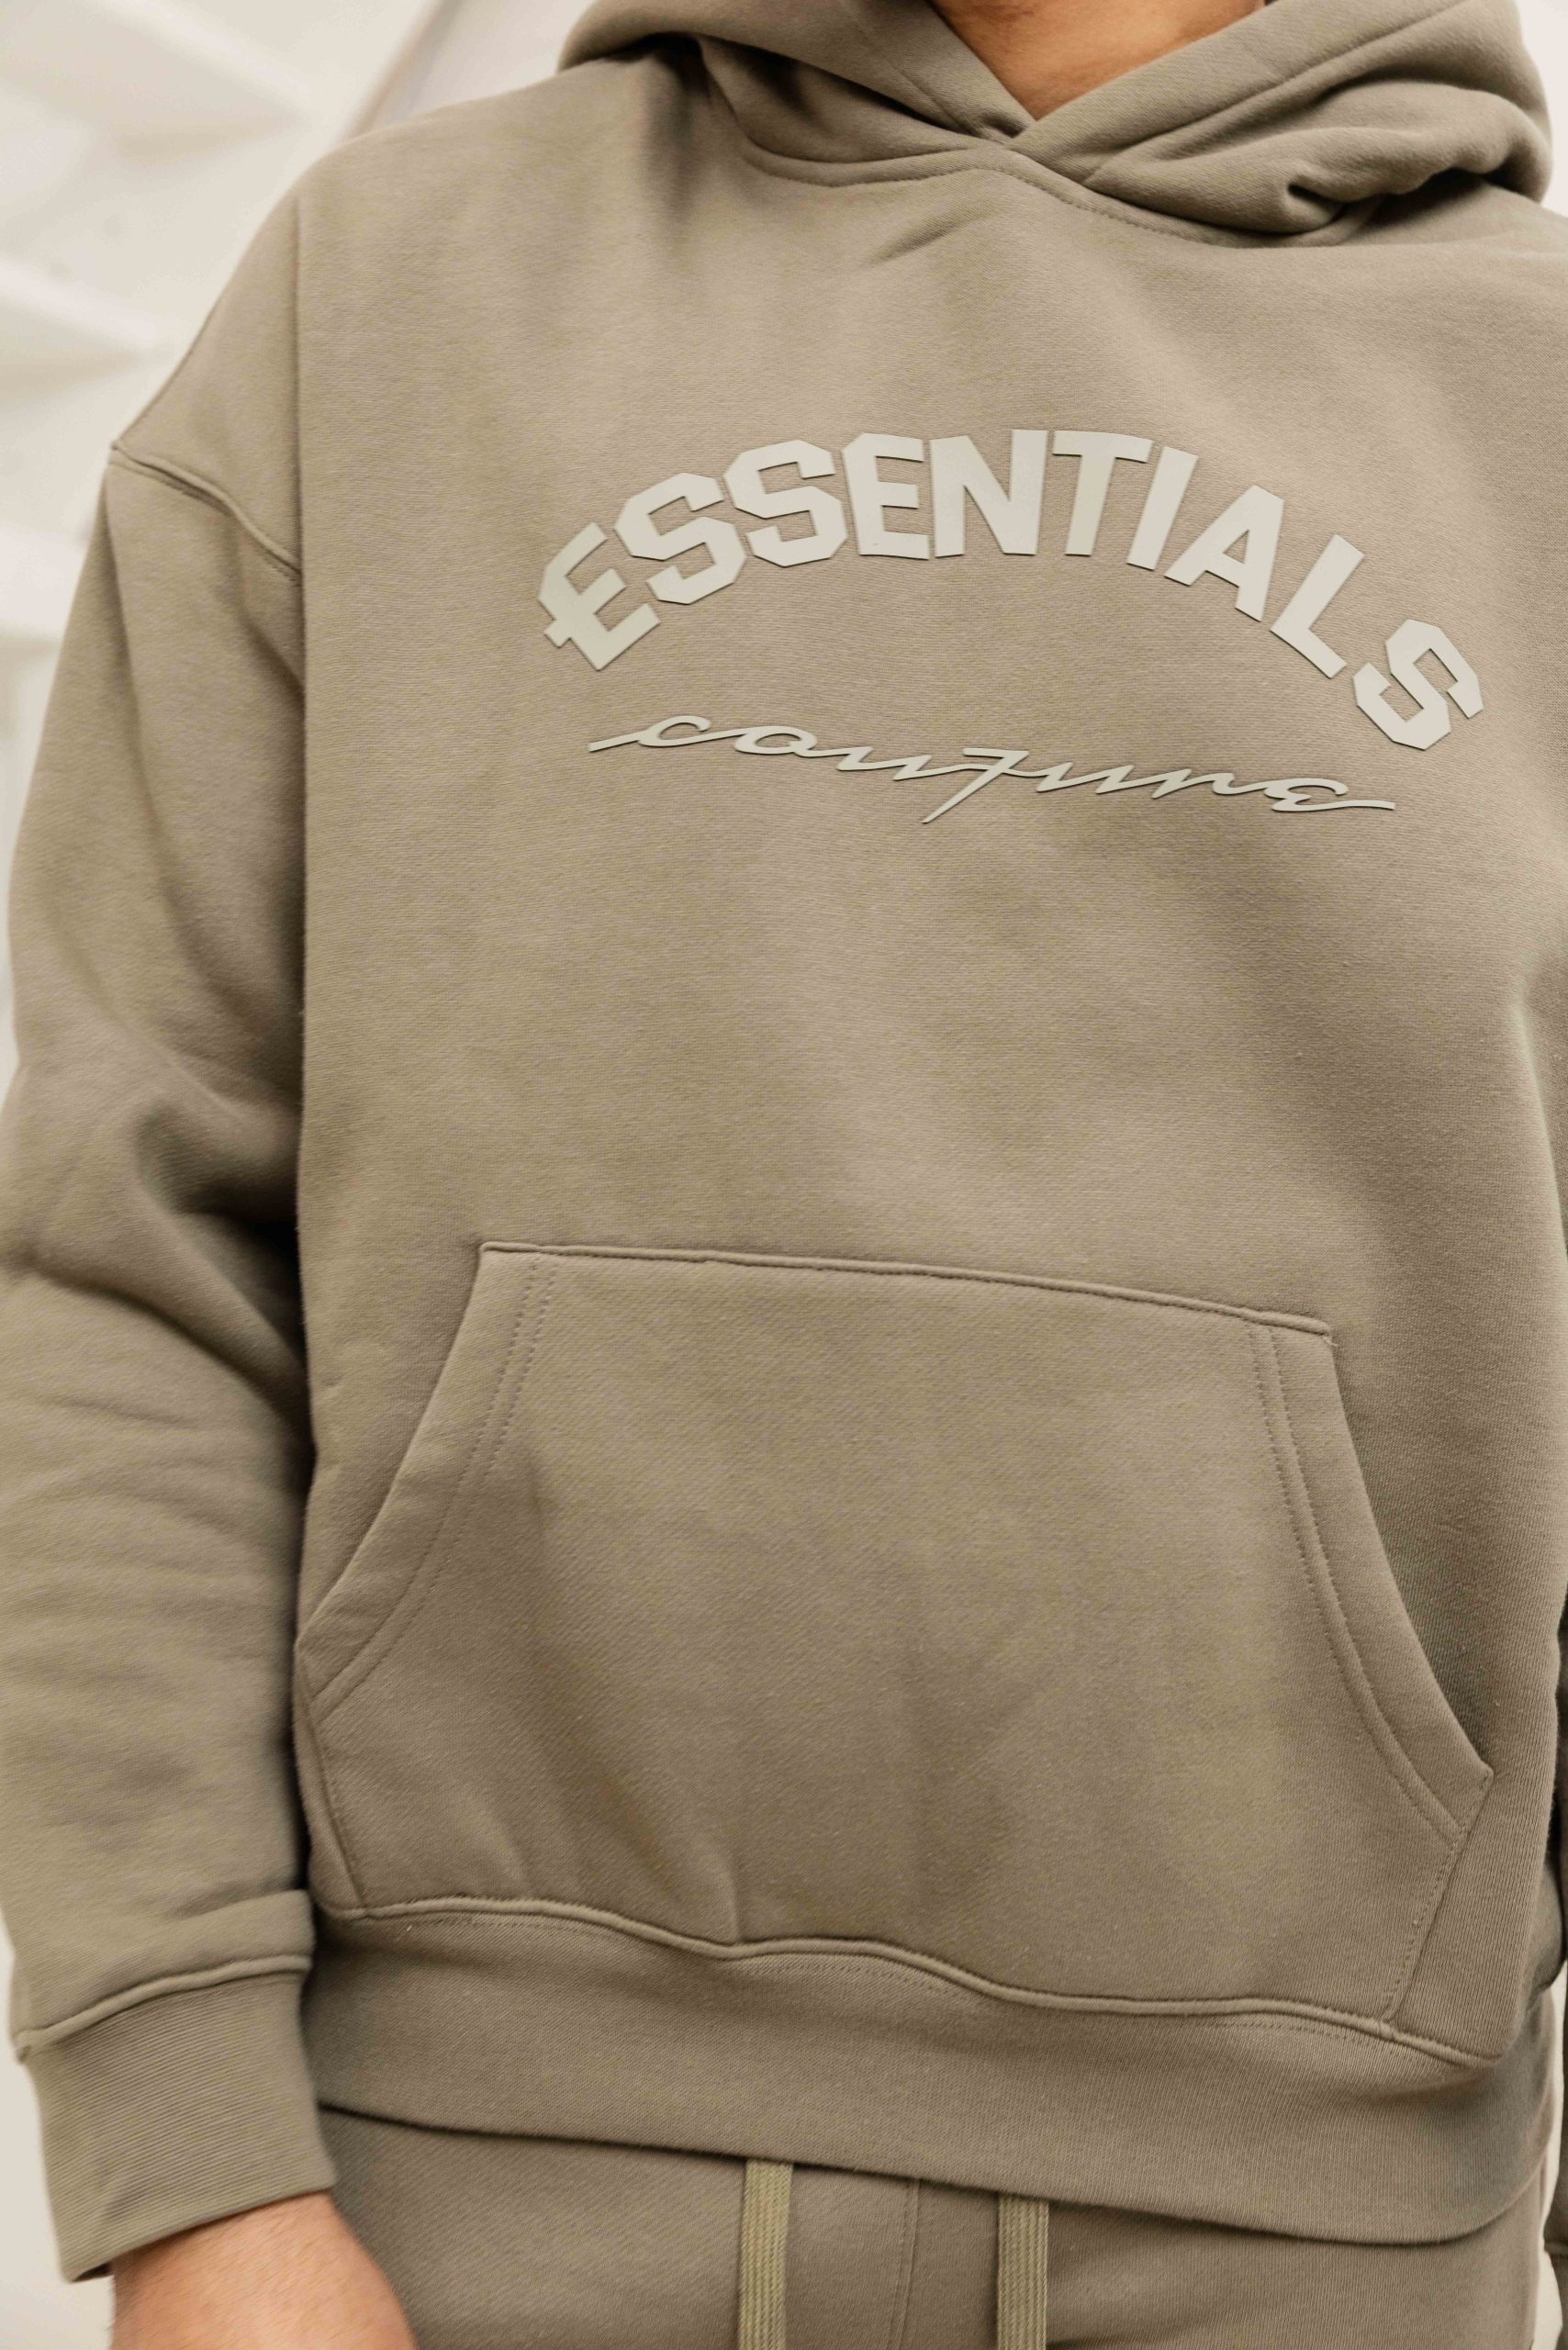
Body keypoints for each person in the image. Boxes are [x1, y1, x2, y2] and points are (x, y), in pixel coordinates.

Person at [1, 0, 1565, 2341]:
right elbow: (122, 1249)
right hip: (433, 2199)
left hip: (1313, 2244)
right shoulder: (392, 286)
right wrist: (191, 2158)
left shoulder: (1533, 393)